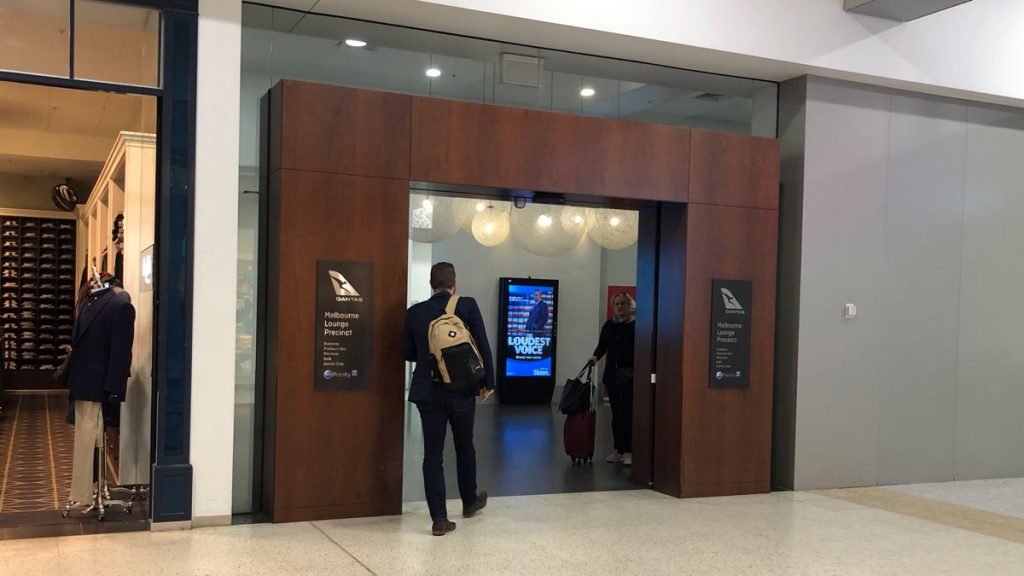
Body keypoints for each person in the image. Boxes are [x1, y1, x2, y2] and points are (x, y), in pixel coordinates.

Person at [402, 262, 494, 536]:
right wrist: (487, 382)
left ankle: (439, 519)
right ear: (454, 283)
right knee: (465, 445)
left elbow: (406, 352)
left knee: (433, 455)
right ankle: (469, 501)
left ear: (431, 284)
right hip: (462, 390)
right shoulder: (466, 305)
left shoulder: (415, 313)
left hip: (428, 392)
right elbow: (481, 343)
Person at [588, 292, 636, 466]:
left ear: (629, 306)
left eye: (623, 303)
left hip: (629, 376)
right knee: (616, 415)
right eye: (616, 304)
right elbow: (602, 346)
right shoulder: (609, 325)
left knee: (627, 414)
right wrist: (595, 357)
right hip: (612, 376)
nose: (619, 307)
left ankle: (630, 450)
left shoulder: (636, 325)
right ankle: (619, 449)